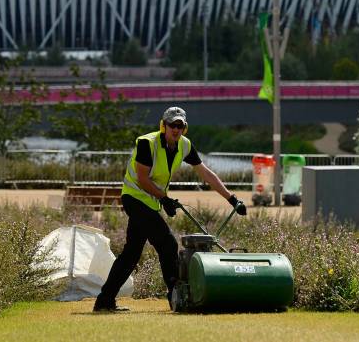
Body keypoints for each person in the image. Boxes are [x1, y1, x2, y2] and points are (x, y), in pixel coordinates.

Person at [93, 106, 247, 313]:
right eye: (172, 125)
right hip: (134, 198)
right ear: (163, 126)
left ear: (184, 128)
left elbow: (207, 174)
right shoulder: (147, 143)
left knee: (131, 254)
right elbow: (142, 178)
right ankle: (176, 298)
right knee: (167, 244)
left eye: (180, 126)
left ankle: (104, 301)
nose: (176, 129)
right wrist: (165, 199)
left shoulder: (185, 145)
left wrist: (232, 199)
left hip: (151, 202)